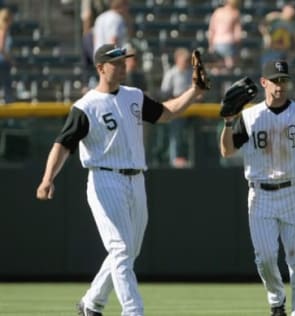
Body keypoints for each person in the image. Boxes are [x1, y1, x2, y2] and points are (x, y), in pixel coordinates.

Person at [35, 44, 206, 316]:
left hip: (136, 180)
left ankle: (92, 303)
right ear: (101, 68)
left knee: (128, 251)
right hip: (105, 180)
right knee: (121, 249)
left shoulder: (134, 96)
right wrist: (47, 178)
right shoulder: (86, 106)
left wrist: (194, 92)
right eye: (116, 62)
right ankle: (133, 311)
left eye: (124, 61)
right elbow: (63, 144)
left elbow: (166, 112)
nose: (123, 65)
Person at [220, 60, 295, 316]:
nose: (280, 85)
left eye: (283, 80)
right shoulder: (249, 115)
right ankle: (276, 301)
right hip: (260, 194)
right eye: (275, 80)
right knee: (265, 257)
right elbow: (226, 151)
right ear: (264, 82)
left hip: (293, 190)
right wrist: (228, 121)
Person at [159, 47, 195, 168]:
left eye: (188, 60)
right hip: (177, 109)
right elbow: (164, 93)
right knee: (176, 134)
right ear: (177, 60)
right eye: (184, 60)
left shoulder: (191, 72)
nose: (187, 62)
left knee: (193, 135)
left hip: (192, 109)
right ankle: (174, 160)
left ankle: (192, 159)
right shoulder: (171, 73)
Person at [258, 2, 295, 66]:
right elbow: (262, 25)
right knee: (267, 72)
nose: (291, 11)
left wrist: (291, 56)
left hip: (283, 54)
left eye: (294, 9)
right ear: (285, 8)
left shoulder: (294, 25)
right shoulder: (274, 17)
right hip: (270, 51)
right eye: (290, 8)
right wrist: (266, 36)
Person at [207, 0, 242, 74]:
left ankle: (215, 85)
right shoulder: (235, 13)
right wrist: (238, 48)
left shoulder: (217, 12)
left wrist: (211, 46)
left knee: (217, 68)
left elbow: (211, 31)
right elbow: (237, 34)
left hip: (217, 42)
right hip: (229, 42)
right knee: (228, 68)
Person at [0, 7, 14, 103]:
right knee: (7, 86)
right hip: (2, 62)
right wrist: (10, 59)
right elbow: (1, 48)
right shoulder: (3, 31)